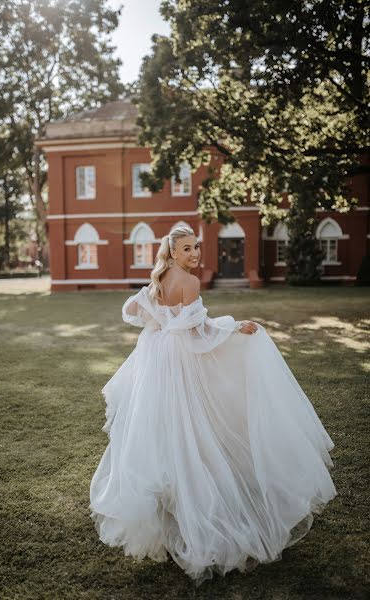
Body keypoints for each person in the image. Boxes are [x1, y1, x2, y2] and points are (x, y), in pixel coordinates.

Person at [89, 225, 337, 586]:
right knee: (191, 424)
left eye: (196, 248)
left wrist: (158, 321)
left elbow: (132, 308)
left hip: (156, 360)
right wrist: (235, 328)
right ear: (173, 252)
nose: (194, 254)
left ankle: (166, 503)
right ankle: (196, 507)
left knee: (161, 426)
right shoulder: (188, 283)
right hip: (177, 362)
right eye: (187, 249)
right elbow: (198, 334)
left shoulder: (158, 279)